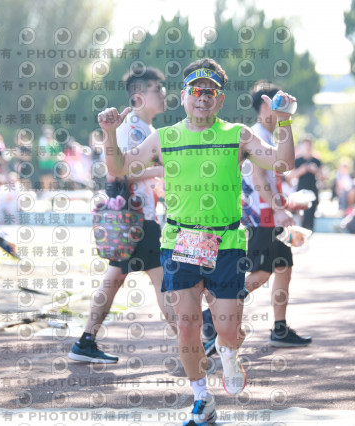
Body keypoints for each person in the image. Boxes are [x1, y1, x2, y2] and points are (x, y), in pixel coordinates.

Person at [99, 58, 296, 425]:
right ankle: (202, 399)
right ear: (184, 96)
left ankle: (228, 350)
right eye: (196, 90)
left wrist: (284, 122)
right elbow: (119, 168)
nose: (203, 97)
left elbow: (282, 164)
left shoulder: (237, 134)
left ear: (220, 99)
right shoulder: (165, 137)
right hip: (180, 241)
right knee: (187, 325)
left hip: (227, 244)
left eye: (211, 92)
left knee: (228, 331)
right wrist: (110, 134)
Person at [68, 66, 176, 364]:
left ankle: (86, 340)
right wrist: (162, 170)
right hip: (136, 217)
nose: (164, 94)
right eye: (157, 89)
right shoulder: (130, 128)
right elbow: (118, 172)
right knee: (162, 280)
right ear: (139, 96)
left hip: (136, 216)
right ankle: (193, 342)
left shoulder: (147, 130)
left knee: (115, 279)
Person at [201, 82, 310, 358]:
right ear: (264, 106)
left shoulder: (270, 136)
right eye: (278, 104)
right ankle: (211, 315)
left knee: (283, 267)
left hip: (271, 214)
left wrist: (285, 204)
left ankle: (280, 328)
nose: (284, 109)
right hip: (261, 217)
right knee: (261, 272)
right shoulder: (254, 136)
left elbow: (272, 177)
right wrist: (278, 209)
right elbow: (258, 178)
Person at [290, 136, 321, 230]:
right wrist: (301, 170)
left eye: (309, 145)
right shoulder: (297, 161)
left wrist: (315, 170)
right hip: (301, 189)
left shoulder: (316, 161)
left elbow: (323, 176)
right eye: (305, 145)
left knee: (311, 213)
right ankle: (303, 230)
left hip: (313, 189)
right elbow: (290, 175)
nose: (307, 147)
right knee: (302, 214)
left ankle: (310, 230)